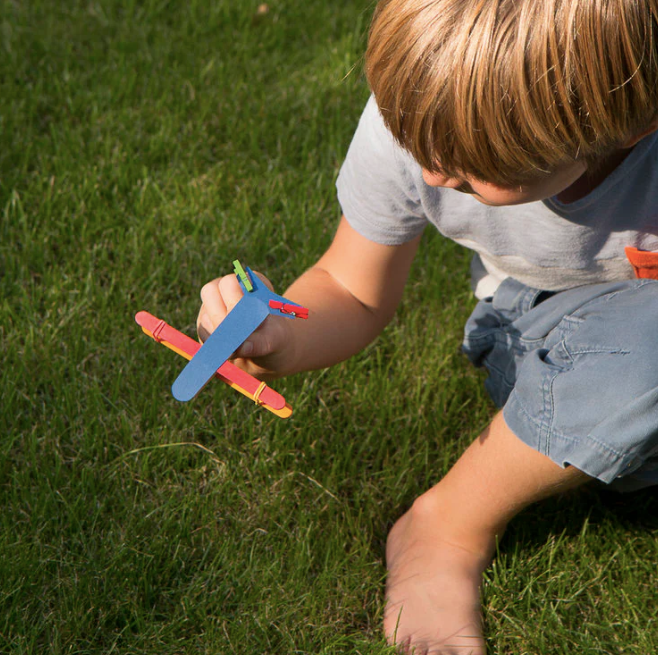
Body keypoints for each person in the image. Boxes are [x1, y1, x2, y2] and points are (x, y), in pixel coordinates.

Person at [197, 0, 658, 652]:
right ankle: (447, 524)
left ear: (633, 126)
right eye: (414, 140)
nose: (434, 173)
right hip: (539, 340)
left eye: (477, 171)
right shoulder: (418, 125)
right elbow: (353, 288)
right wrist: (281, 334)